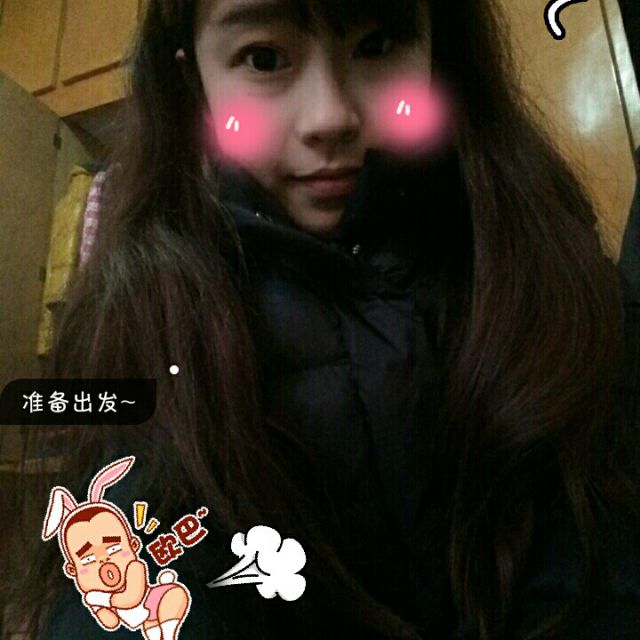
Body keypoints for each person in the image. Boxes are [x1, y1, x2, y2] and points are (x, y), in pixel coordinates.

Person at [12, 0, 640, 638]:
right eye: (264, 58)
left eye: (377, 44)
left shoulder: (544, 273)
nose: (330, 117)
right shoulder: (149, 320)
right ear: (193, 83)